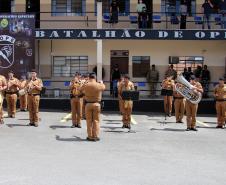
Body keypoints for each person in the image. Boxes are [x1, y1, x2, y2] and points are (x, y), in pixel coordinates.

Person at [80, 73, 105, 142]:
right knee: (96, 121)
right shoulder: (99, 84)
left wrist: (85, 82)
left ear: (89, 77)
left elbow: (80, 89)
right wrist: (101, 82)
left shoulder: (86, 84)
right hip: (97, 104)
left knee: (89, 121)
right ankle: (95, 136)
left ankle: (90, 136)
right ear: (95, 77)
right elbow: (104, 87)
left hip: (88, 104)